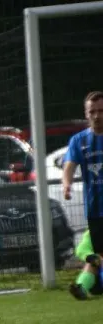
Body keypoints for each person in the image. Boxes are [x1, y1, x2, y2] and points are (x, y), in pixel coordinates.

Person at [63, 91, 103, 299]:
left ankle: (85, 286)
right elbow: (69, 164)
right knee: (97, 258)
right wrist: (67, 183)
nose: (97, 116)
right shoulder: (79, 141)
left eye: (101, 111)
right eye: (92, 111)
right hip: (96, 210)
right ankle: (84, 287)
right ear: (86, 114)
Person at [69, 229, 103, 300]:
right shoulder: (93, 233)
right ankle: (81, 289)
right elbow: (81, 248)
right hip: (98, 280)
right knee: (92, 263)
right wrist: (90, 257)